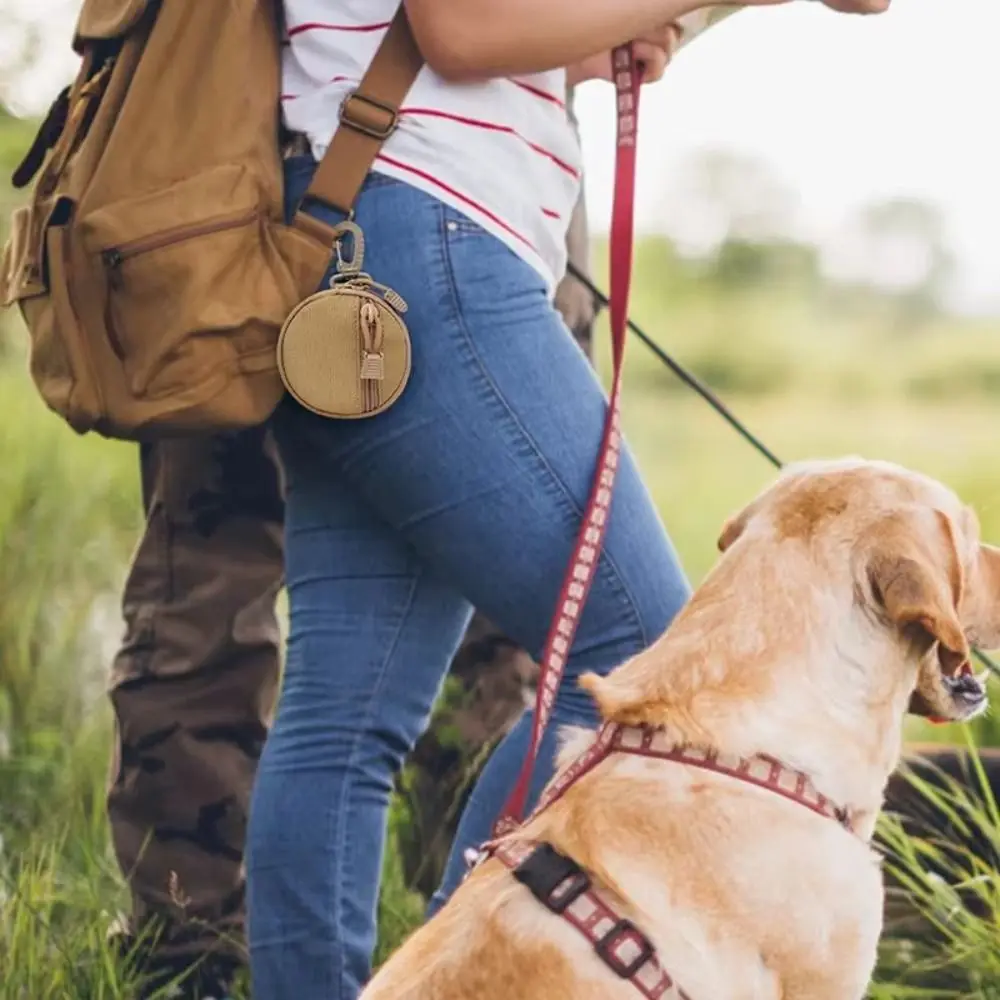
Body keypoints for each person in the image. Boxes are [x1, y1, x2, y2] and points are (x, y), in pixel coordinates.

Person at [245, 0, 891, 996]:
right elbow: (460, 27)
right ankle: (469, 977)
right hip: (427, 237)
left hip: (349, 239)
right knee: (635, 654)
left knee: (347, 710)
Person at [106, 90, 598, 1000]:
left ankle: (287, 963)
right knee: (622, 648)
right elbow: (460, 30)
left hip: (397, 217)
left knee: (356, 691)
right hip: (358, 223)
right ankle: (202, 961)